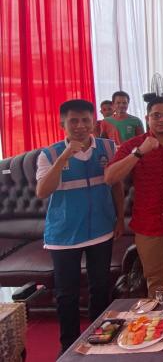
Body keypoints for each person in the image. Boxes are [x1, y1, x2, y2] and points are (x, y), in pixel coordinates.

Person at [36, 99, 124, 355]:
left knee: (100, 288)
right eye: (73, 121)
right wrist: (65, 155)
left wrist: (120, 218)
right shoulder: (49, 154)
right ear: (62, 124)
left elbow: (116, 185)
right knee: (67, 294)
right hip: (64, 235)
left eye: (85, 120)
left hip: (101, 230)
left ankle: (99, 341)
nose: (80, 126)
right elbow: (42, 191)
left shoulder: (108, 148)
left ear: (94, 122)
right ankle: (69, 347)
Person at [105, 97, 163, 298]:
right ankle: (160, 316)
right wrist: (139, 153)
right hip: (148, 224)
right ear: (147, 118)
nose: (161, 120)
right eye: (156, 115)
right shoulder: (134, 145)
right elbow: (110, 177)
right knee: (155, 277)